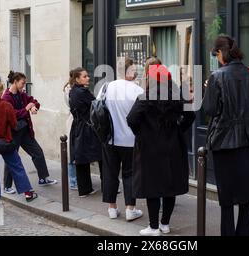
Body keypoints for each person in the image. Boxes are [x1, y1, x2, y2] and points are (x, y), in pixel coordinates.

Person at [127, 57, 195, 236]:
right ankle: (165, 224)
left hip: (150, 147)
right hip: (172, 145)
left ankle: (154, 227)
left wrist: (141, 133)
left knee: (152, 187)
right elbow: (191, 116)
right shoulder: (176, 95)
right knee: (169, 186)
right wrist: (180, 130)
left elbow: (131, 119)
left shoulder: (145, 96)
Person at [203, 35, 249, 236]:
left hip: (223, 141)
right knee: (245, 195)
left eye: (215, 54)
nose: (216, 58)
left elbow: (209, 109)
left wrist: (207, 89)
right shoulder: (248, 72)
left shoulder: (217, 76)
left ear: (221, 52)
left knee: (226, 197)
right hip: (245, 138)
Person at [0, 82, 37, 209]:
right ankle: (27, 193)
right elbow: (14, 124)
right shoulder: (6, 106)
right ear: (1, 91)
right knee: (16, 166)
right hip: (6, 142)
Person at [99, 58, 144, 221]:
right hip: (131, 140)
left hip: (110, 138)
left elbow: (98, 109)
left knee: (110, 173)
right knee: (130, 174)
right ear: (130, 71)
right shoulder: (137, 90)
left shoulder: (105, 87)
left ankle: (112, 208)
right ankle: (130, 209)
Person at [2, 71, 57, 193]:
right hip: (13, 132)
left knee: (37, 152)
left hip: (25, 131)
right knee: (12, 157)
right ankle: (7, 186)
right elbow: (12, 115)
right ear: (15, 82)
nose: (24, 85)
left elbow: (34, 101)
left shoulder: (22, 94)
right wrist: (26, 109)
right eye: (22, 83)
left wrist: (33, 107)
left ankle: (43, 178)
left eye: (25, 83)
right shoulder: (6, 97)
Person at [69, 67, 102, 197]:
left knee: (81, 158)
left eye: (87, 76)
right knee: (102, 156)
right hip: (86, 128)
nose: (88, 78)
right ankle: (108, 186)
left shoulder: (73, 91)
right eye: (84, 76)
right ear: (77, 79)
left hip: (78, 127)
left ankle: (84, 189)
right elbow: (96, 105)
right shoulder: (82, 92)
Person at [64, 70, 78, 190]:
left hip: (74, 120)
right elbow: (71, 105)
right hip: (73, 121)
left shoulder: (69, 88)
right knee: (71, 151)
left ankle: (75, 179)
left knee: (74, 151)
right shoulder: (70, 89)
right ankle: (73, 180)